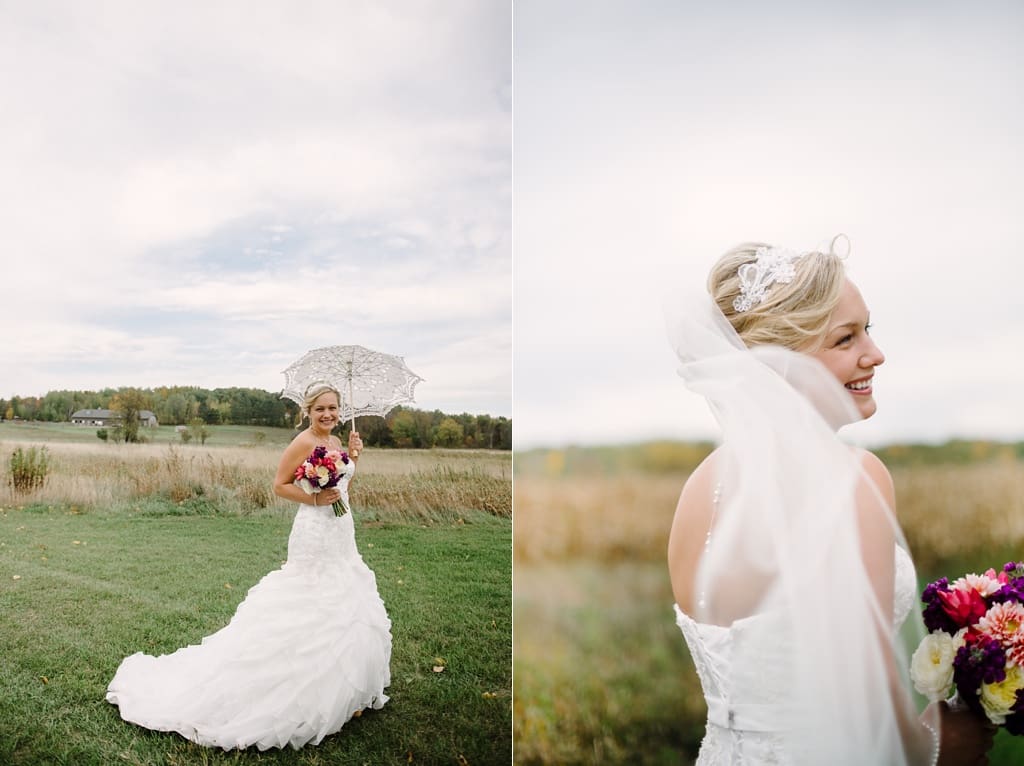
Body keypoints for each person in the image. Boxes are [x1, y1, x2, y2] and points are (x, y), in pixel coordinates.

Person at [664, 240, 995, 765]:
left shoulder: (699, 488)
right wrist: (939, 744)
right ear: (778, 364)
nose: (875, 354)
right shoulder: (854, 478)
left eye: (868, 329)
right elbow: (867, 710)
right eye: (846, 338)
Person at [106, 382, 391, 750]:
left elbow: (342, 483)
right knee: (311, 596)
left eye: (333, 408)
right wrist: (316, 499)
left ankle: (343, 692)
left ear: (340, 410)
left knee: (345, 595)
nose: (327, 414)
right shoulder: (303, 442)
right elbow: (280, 485)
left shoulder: (337, 441)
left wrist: (353, 456)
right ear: (307, 411)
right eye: (320, 408)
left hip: (341, 530)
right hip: (315, 531)